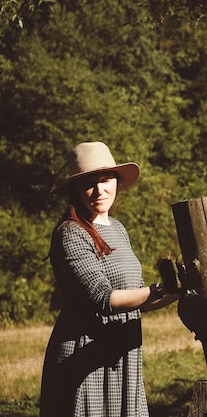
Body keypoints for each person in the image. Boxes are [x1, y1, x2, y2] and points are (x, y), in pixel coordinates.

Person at [40, 141, 178, 417]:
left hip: (122, 349)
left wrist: (178, 292)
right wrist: (161, 287)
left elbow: (135, 298)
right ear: (76, 191)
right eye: (89, 184)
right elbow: (103, 299)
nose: (100, 190)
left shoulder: (117, 228)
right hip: (83, 354)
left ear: (117, 183)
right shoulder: (71, 233)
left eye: (106, 180)